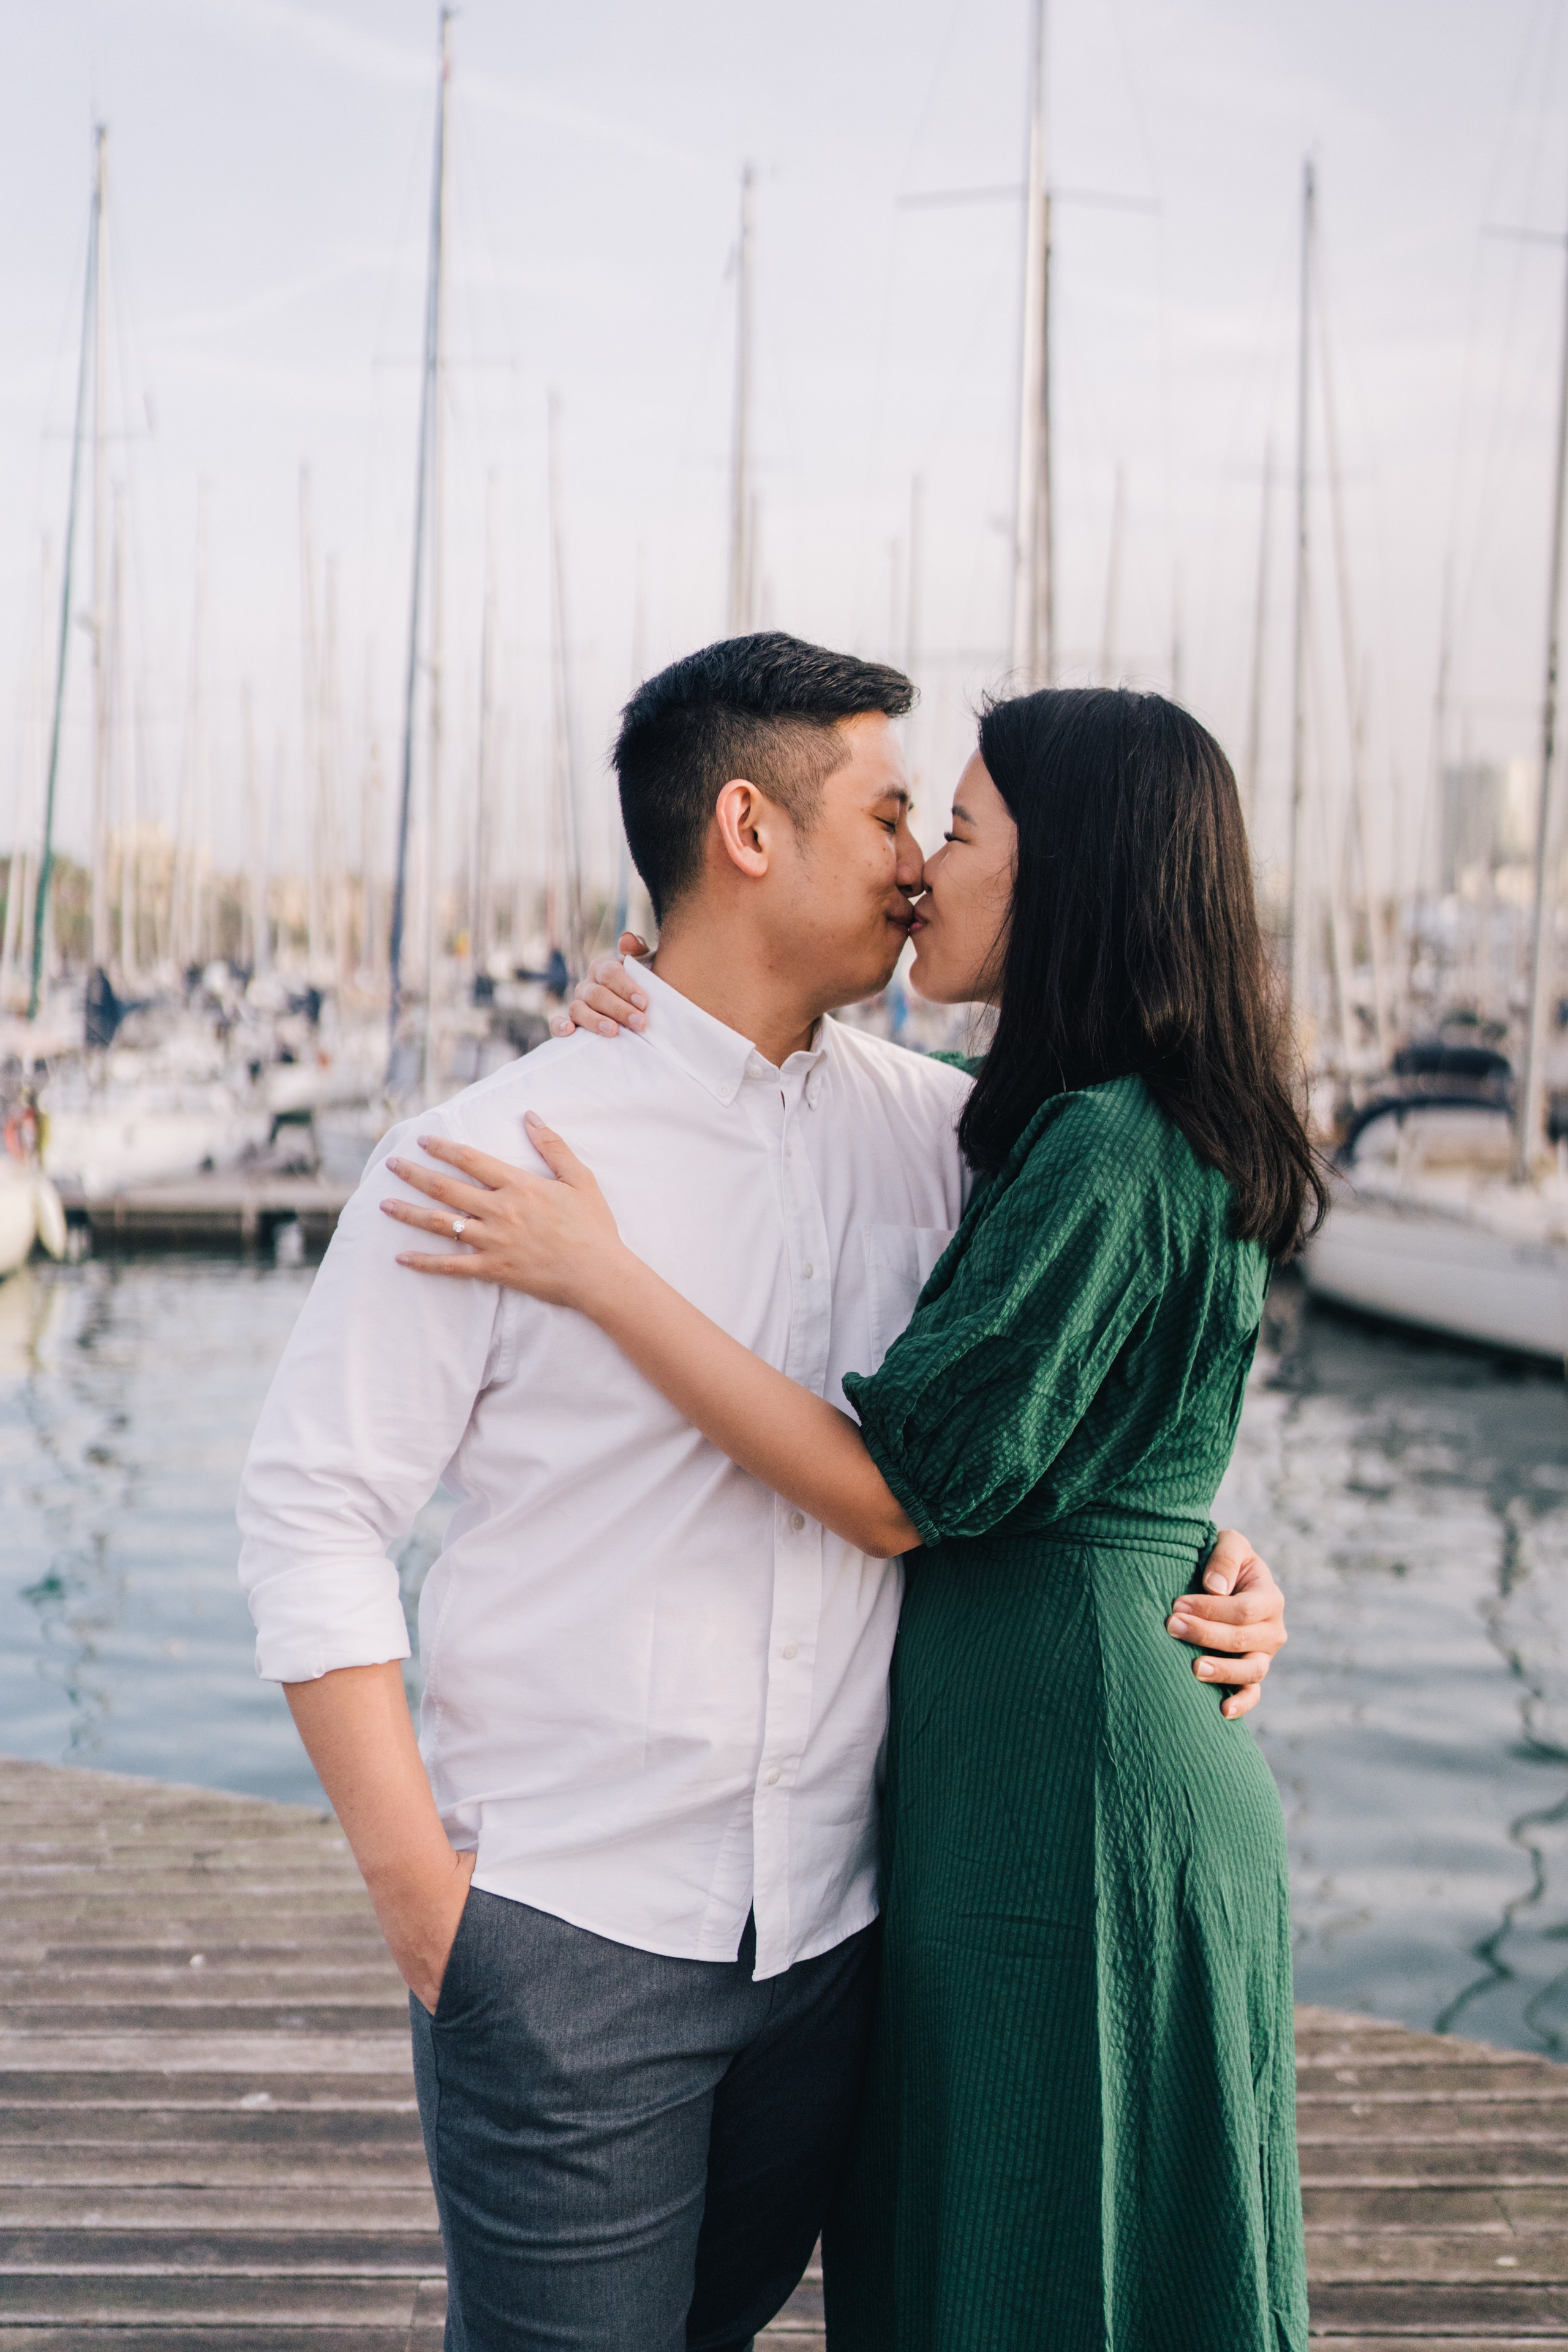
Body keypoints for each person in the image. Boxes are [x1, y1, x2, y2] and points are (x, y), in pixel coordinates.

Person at [238, 633, 1287, 2352]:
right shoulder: (495, 1155)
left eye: (942, 829)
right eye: (891, 815)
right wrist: (425, 1901)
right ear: (747, 829)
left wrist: (1213, 1558)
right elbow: (310, 1508)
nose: (914, 865)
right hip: (577, 1935)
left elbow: (1103, 1346)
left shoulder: (941, 1132)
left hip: (848, 1941)